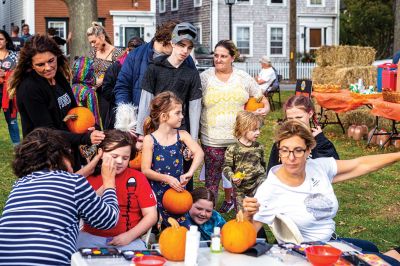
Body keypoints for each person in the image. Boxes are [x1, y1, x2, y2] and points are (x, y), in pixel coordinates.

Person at [243, 120, 400, 265]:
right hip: (312, 255)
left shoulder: (318, 167)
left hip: (332, 242)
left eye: (298, 150)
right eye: (285, 150)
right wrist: (247, 217)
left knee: (370, 247)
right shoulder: (270, 189)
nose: (290, 158)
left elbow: (360, 164)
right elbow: (245, 236)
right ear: (279, 151)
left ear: (308, 150)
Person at [0, 128, 119, 265]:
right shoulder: (74, 183)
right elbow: (108, 220)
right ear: (61, 156)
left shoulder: (20, 184)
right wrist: (109, 182)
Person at [8, 34, 105, 171]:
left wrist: (91, 126)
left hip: (68, 146)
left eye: (51, 61)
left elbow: (74, 110)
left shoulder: (58, 76)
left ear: (57, 57)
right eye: (40, 64)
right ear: (31, 65)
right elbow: (48, 133)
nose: (48, 68)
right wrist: (85, 138)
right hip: (44, 156)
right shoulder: (29, 88)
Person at [200, 40, 269, 212]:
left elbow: (260, 98)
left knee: (241, 180)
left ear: (232, 58)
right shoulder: (204, 78)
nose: (218, 59)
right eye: (216, 55)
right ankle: (209, 217)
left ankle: (243, 218)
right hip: (212, 139)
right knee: (212, 181)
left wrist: (265, 108)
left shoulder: (243, 77)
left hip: (239, 141)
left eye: (223, 56)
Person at [77, 129, 157, 250]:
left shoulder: (137, 178)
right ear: (101, 153)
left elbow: (151, 215)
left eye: (125, 158)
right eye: (114, 156)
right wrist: (107, 180)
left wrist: (129, 236)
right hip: (90, 236)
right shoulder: (89, 177)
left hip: (127, 239)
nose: (120, 161)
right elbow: (79, 208)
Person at [141, 92, 204, 227]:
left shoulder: (182, 135)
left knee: (181, 228)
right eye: (177, 113)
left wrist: (190, 172)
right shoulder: (150, 140)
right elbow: (145, 170)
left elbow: (199, 153)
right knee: (158, 228)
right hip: (156, 192)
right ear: (164, 116)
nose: (182, 116)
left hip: (178, 192)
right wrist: (167, 179)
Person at [137, 22, 202, 142]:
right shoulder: (154, 68)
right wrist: (141, 133)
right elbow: (146, 100)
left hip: (180, 131)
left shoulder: (192, 74)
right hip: (156, 129)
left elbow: (195, 107)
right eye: (181, 45)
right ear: (172, 43)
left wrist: (193, 139)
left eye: (189, 48)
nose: (185, 51)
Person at [114, 20, 196, 108]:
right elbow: (122, 86)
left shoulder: (186, 59)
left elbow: (193, 89)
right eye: (180, 44)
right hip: (141, 115)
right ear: (168, 41)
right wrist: (126, 112)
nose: (183, 50)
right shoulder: (136, 55)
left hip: (174, 117)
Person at [267, 95, 339, 173]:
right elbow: (272, 170)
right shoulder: (282, 140)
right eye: (290, 118)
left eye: (299, 117)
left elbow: (333, 167)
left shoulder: (318, 139)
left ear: (310, 113)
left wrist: (321, 140)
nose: (295, 122)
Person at [222, 111, 266, 210]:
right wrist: (232, 177)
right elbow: (226, 167)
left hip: (258, 183)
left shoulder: (259, 147)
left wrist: (263, 177)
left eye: (258, 129)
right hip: (240, 188)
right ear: (242, 129)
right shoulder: (233, 148)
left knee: (257, 211)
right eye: (254, 130)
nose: (258, 132)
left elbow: (263, 164)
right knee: (242, 216)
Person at [87, 22, 124, 129]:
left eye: (94, 41)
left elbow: (120, 75)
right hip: (94, 94)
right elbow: (88, 70)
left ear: (102, 37)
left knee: (107, 124)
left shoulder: (117, 53)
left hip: (108, 96)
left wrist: (102, 81)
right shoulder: (93, 52)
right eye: (90, 42)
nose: (92, 45)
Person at [101, 37, 142, 129]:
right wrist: (123, 96)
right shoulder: (115, 68)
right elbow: (106, 90)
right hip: (118, 111)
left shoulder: (145, 66)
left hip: (140, 112)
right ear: (127, 51)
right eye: (132, 51)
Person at [0, 30, 20, 146]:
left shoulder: (14, 55)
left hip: (10, 92)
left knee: (12, 121)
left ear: (6, 40)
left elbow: (21, 72)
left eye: (1, 39)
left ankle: (17, 148)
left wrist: (10, 74)